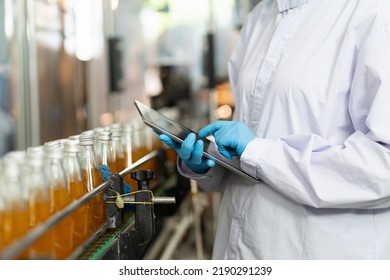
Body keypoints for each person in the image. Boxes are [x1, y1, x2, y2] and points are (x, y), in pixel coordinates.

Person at [159, 0, 390, 259]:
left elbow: (383, 167)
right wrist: (210, 161)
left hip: (317, 253)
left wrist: (259, 152)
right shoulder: (260, 17)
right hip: (239, 247)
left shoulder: (373, 11)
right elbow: (248, 142)